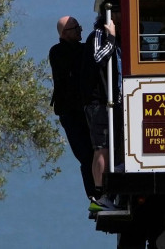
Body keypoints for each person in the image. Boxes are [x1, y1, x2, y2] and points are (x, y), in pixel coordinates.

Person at [48, 15, 94, 199]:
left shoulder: (80, 50)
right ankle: (94, 194)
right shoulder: (58, 52)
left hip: (81, 109)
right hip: (71, 112)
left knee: (94, 153)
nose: (80, 30)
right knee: (85, 155)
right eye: (76, 28)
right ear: (65, 33)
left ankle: (99, 192)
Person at [81, 12, 120, 211]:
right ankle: (101, 196)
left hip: (107, 102)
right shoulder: (98, 34)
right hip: (98, 103)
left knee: (107, 147)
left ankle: (107, 193)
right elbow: (98, 57)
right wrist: (111, 36)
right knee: (102, 147)